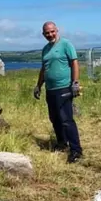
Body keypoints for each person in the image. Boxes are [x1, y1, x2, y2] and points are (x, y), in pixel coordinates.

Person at [33, 21, 83, 163]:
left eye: (52, 31)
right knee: (55, 118)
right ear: (43, 34)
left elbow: (74, 63)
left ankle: (76, 150)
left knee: (66, 119)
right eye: (47, 33)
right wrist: (38, 85)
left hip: (64, 88)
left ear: (57, 30)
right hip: (50, 89)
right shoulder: (45, 49)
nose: (50, 35)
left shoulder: (66, 44)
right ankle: (62, 143)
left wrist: (75, 83)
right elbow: (44, 68)